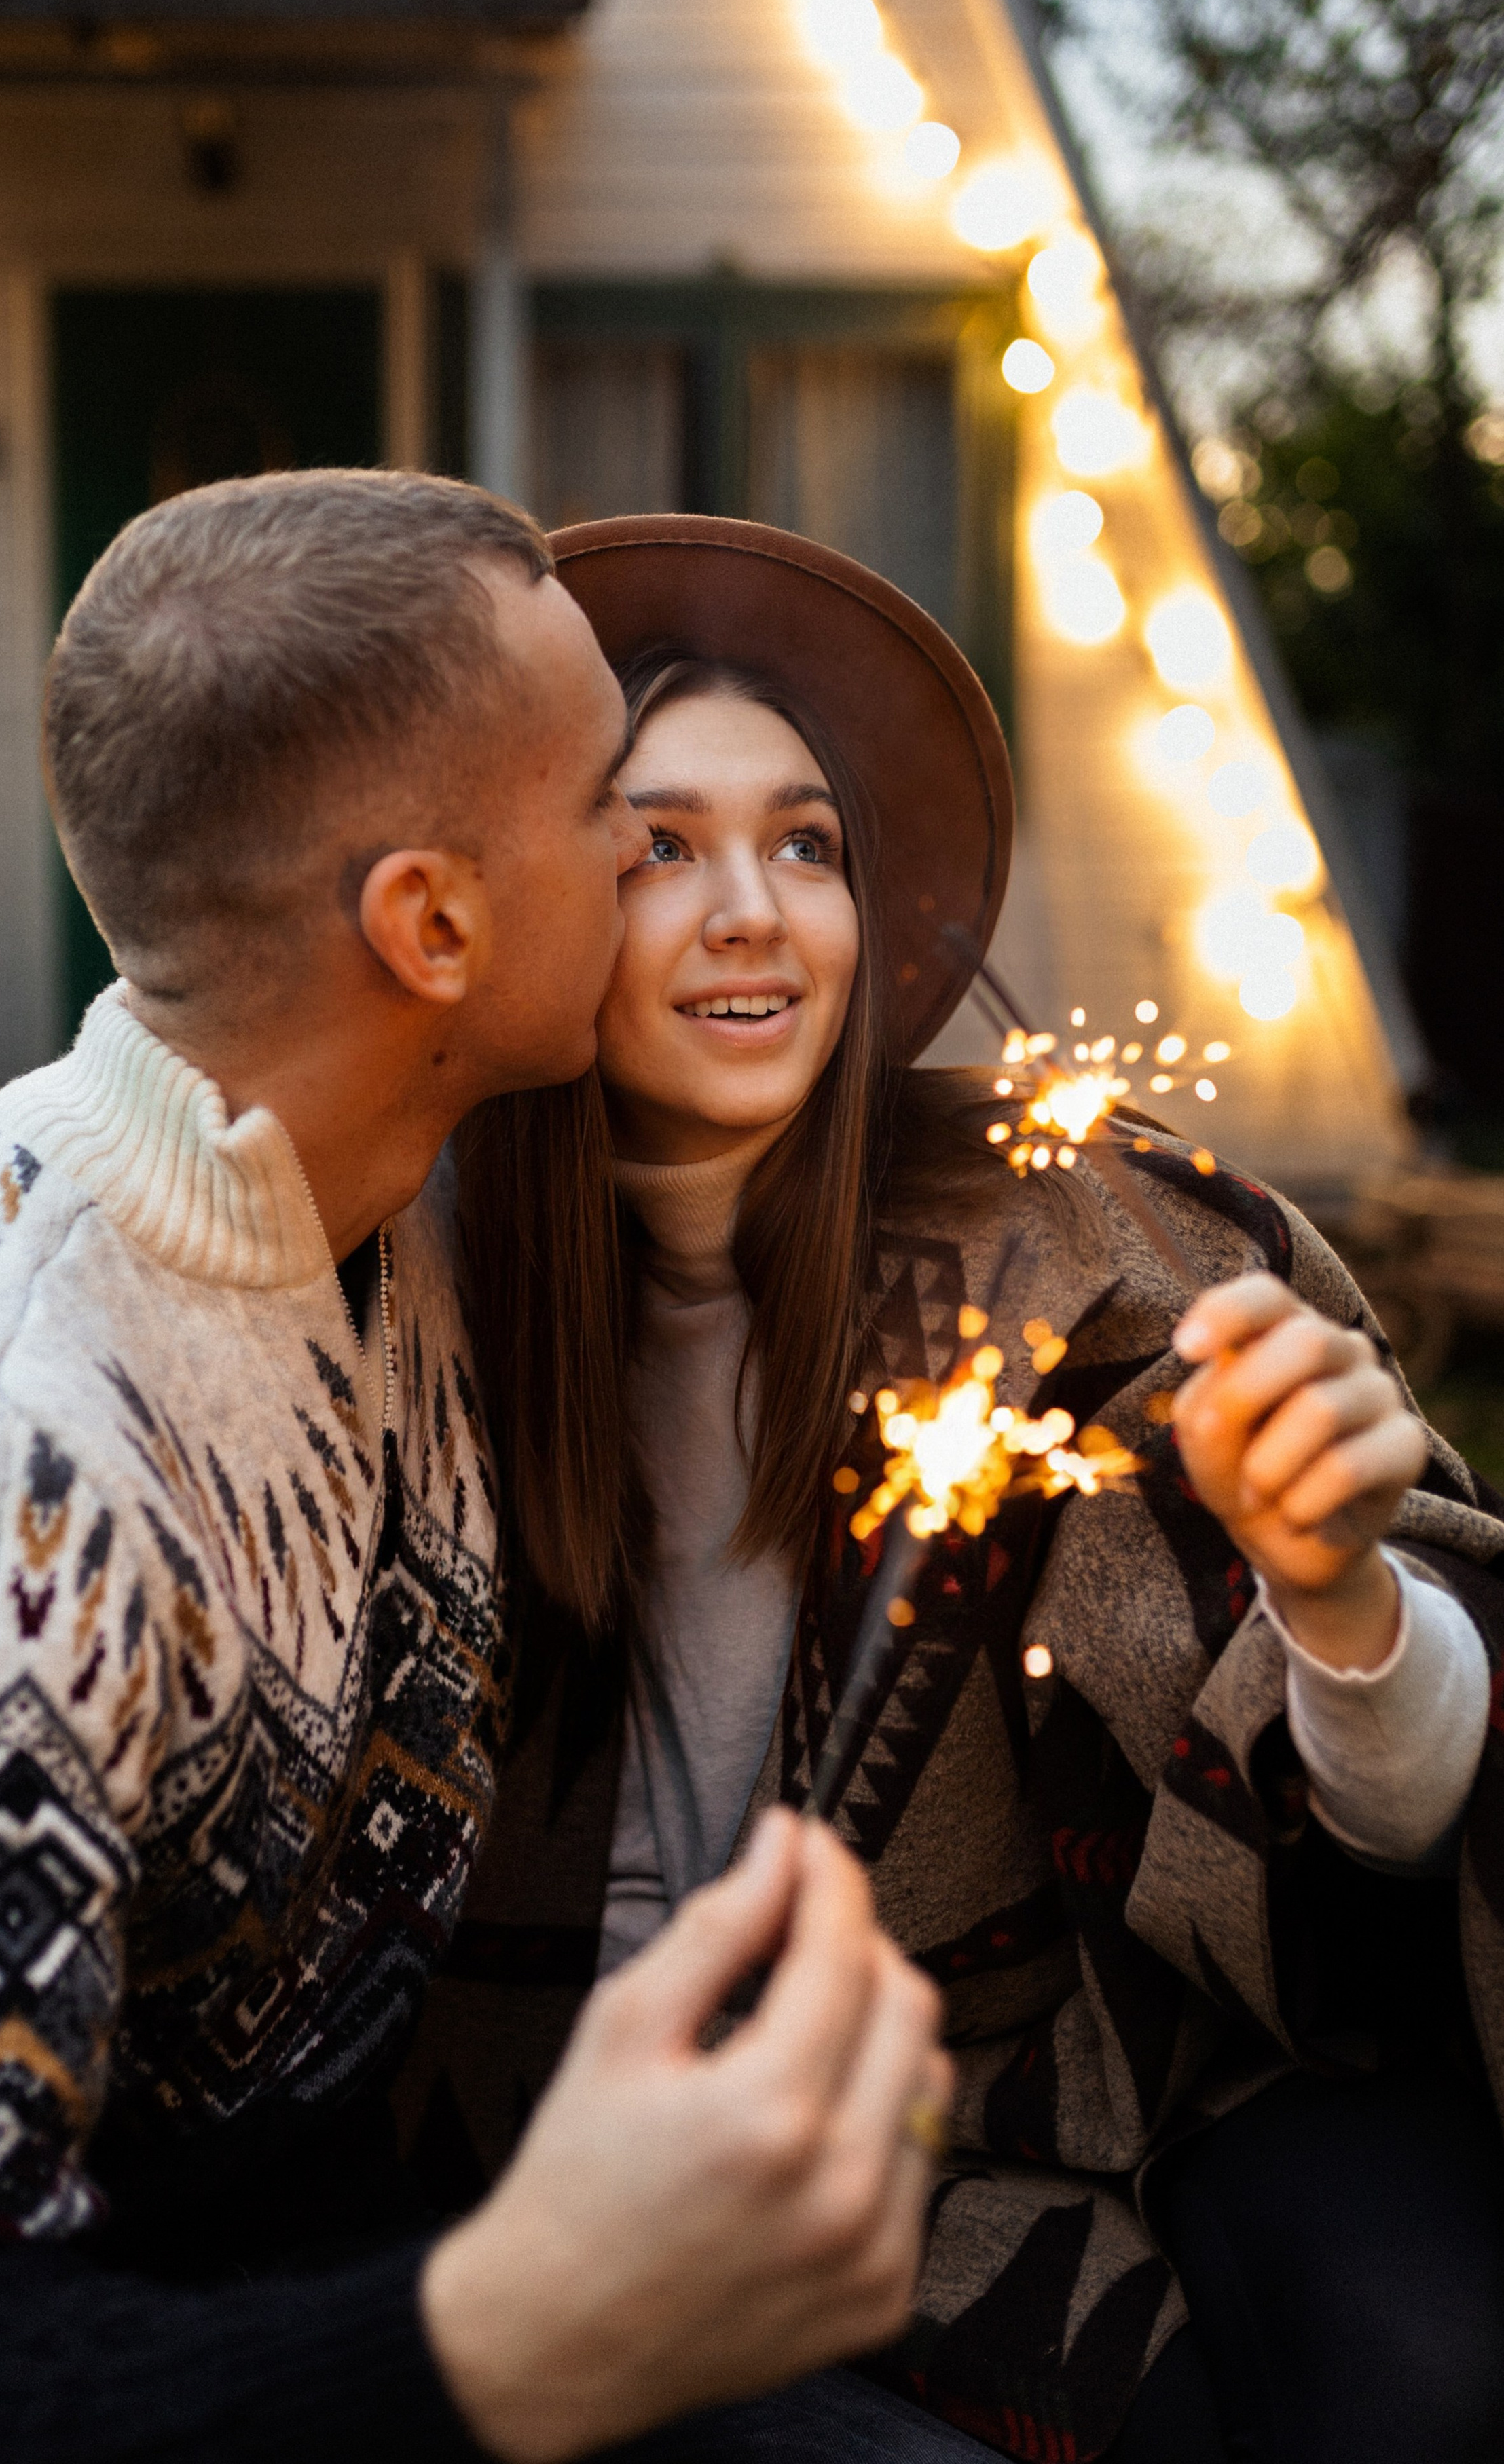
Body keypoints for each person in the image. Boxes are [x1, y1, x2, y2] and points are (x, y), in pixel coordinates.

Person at [0, 474, 970, 2464]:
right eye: (623, 817)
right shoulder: (4, 1465)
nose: (671, 874)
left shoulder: (385, 1183)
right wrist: (516, 2327)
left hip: (366, 2276)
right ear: (433, 927)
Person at [398, 514, 1504, 2463]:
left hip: (1091, 2076)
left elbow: (1393, 1832)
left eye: (807, 844)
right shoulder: (401, 1302)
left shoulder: (1082, 1242)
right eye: (660, 847)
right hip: (594, 2133)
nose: (756, 910)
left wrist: (1338, 1608)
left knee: (1428, 2358)